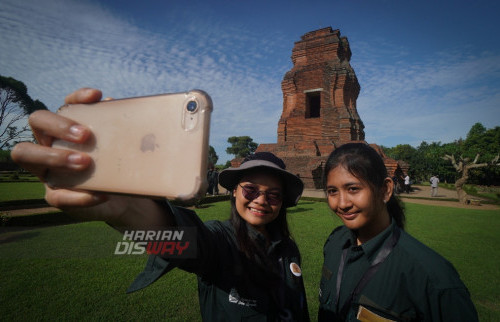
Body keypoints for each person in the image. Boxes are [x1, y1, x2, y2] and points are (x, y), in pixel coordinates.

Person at [10, 88, 309, 321]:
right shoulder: (221, 242)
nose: (261, 200)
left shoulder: (288, 248)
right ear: (233, 193)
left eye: (273, 195)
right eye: (251, 190)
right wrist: (128, 210)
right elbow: (180, 239)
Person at [318, 143, 478, 321]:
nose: (342, 203)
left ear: (386, 189)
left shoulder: (433, 277)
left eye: (353, 189)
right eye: (332, 191)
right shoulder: (335, 243)